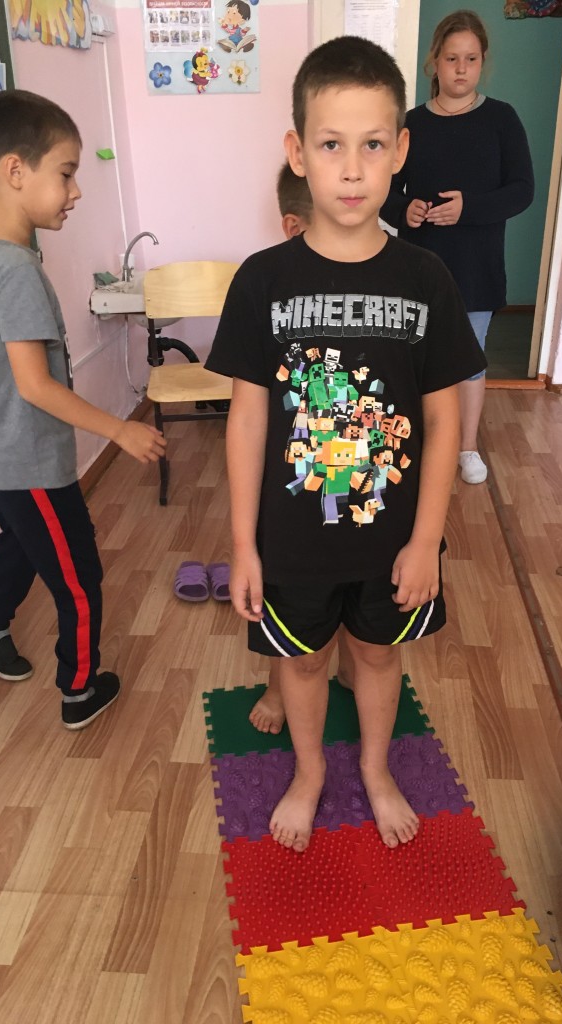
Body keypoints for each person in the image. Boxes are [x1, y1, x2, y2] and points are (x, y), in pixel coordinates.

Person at [206, 36, 486, 852]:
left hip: (391, 537)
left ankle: (373, 765)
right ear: (299, 153)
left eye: (372, 145)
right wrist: (242, 544)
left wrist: (427, 540)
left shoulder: (426, 279)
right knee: (300, 663)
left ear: (400, 150)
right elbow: (247, 418)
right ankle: (308, 772)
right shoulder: (262, 280)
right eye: (332, 145)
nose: (353, 170)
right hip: (293, 538)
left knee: (377, 657)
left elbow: (443, 423)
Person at [0, 90, 167, 730]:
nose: (76, 192)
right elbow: (35, 386)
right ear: (16, 171)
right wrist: (120, 430)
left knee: (20, 539)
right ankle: (79, 689)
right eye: (66, 174)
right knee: (79, 578)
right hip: (28, 460)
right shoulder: (15, 270)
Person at [381, 10, 533, 486]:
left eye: (470, 58)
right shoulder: (411, 123)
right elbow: (386, 187)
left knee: (469, 359)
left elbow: (522, 190)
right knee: (416, 359)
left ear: (482, 61)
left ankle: (466, 447)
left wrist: (468, 207)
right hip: (419, 265)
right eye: (452, 58)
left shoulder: (501, 119)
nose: (461, 68)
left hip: (476, 266)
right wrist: (402, 210)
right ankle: (417, 441)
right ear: (435, 62)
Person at [248, 164, 354, 735]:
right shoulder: (271, 285)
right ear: (295, 227)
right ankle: (277, 683)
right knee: (291, 603)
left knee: (362, 589)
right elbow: (250, 412)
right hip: (296, 477)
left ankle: (353, 664)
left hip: (354, 466)